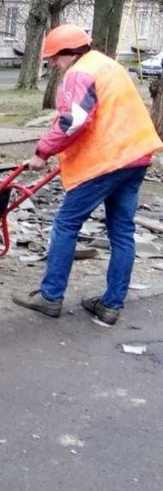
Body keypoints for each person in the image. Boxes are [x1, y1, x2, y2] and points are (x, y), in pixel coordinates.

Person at [12, 24, 163, 325]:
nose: (53, 63)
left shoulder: (78, 73)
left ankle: (50, 296)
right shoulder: (109, 66)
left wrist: (42, 152)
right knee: (122, 232)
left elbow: (74, 120)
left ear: (70, 54)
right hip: (136, 156)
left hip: (107, 162)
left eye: (55, 57)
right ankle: (111, 305)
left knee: (66, 222)